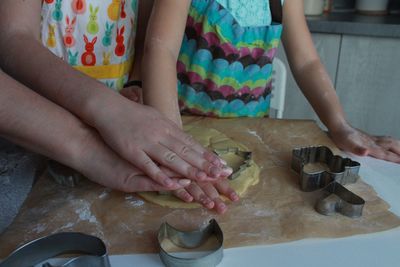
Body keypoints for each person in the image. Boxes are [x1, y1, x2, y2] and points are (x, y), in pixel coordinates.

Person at [139, 0, 400, 208]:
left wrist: (340, 125)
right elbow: (161, 49)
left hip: (251, 137)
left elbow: (307, 63)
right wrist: (172, 144)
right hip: (181, 126)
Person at [0, 0, 234, 202]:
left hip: (120, 128)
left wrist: (134, 85)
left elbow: (147, 33)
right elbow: (14, 38)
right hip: (34, 127)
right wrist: (108, 111)